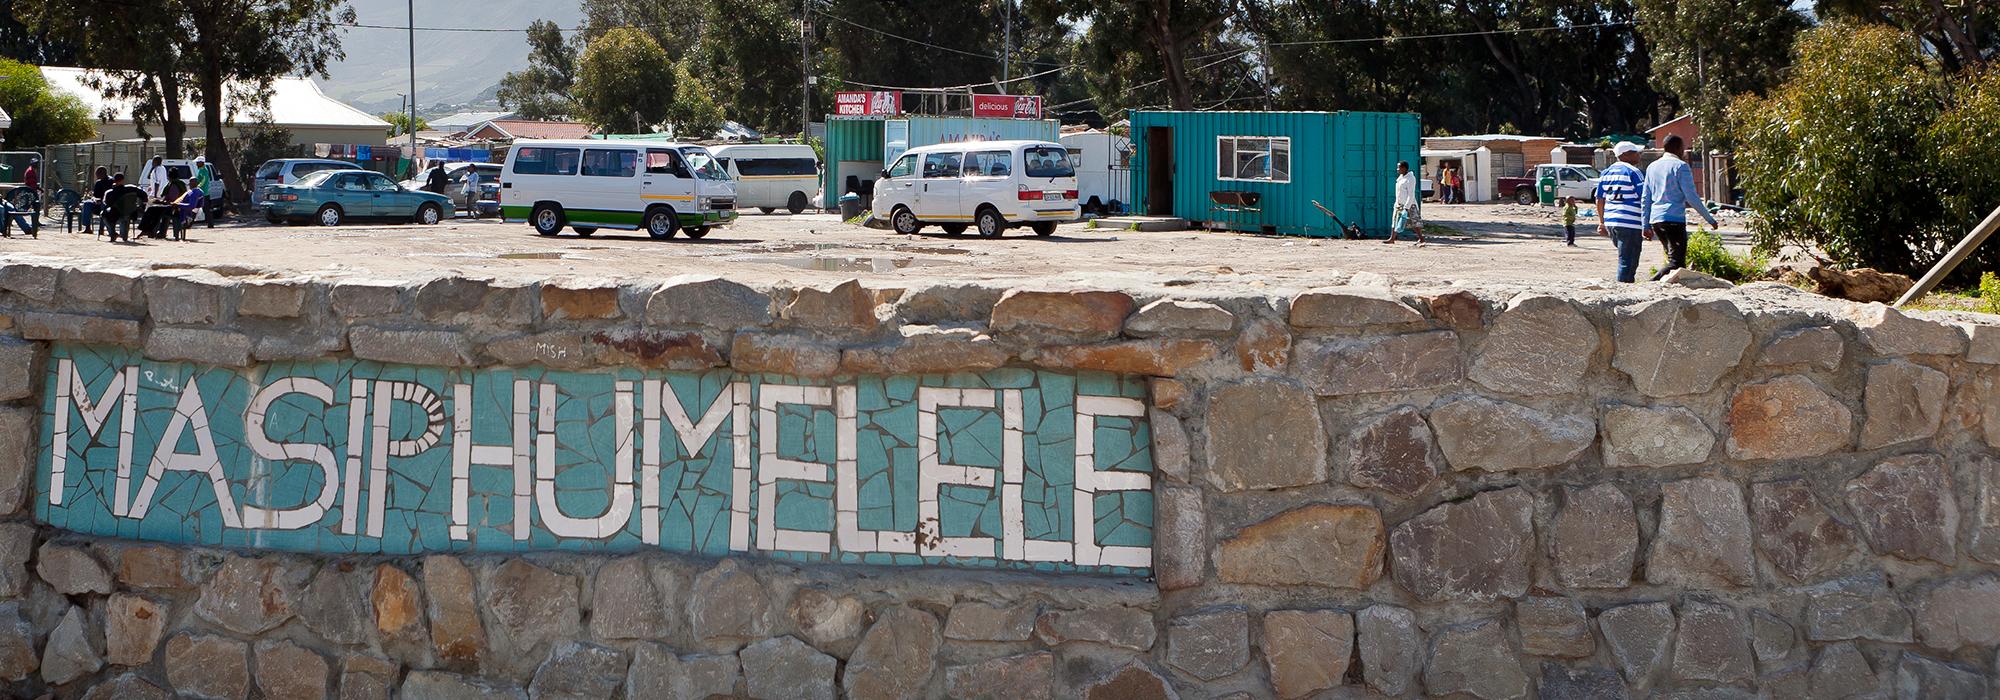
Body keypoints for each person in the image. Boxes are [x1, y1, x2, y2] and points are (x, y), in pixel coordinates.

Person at [1644, 134, 1719, 281]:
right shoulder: (1680, 166)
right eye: (1683, 148)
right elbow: (1691, 197)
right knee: (1676, 263)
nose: (1684, 151)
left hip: (1656, 220)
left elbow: (1646, 198)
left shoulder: (1652, 167)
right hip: (1673, 219)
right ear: (1678, 148)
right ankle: (1650, 283)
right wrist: (1709, 218)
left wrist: (1645, 224)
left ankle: (1668, 289)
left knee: (1674, 258)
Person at [1596, 142, 1649, 283]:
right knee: (1628, 261)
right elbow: (1644, 198)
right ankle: (1624, 290)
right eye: (1636, 152)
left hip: (1611, 222)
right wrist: (1648, 223)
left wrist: (1602, 222)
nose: (1639, 155)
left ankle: (1624, 285)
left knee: (1624, 257)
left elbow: (1599, 199)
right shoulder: (1634, 172)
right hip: (1630, 223)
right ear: (1625, 155)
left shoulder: (1606, 173)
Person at [1389, 160, 1425, 245]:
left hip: (1409, 205)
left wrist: (1406, 207)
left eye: (1399, 167)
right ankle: (1392, 238)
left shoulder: (1410, 178)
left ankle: (1421, 238)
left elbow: (1411, 194)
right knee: (1395, 221)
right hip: (1399, 204)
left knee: (1414, 222)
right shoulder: (1400, 178)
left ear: (1404, 168)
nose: (1397, 169)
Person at [101, 174, 144, 243]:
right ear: (123, 180)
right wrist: (139, 206)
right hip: (131, 212)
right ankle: (124, 236)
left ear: (114, 181)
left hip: (115, 214)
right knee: (125, 216)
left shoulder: (110, 192)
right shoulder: (132, 189)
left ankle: (113, 233)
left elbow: (107, 203)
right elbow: (144, 195)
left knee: (104, 214)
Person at [81, 166, 113, 235]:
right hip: (98, 203)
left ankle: (101, 229)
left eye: (97, 174)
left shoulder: (111, 181)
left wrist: (102, 201)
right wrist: (95, 199)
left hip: (108, 204)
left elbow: (112, 195)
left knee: (103, 206)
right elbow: (95, 196)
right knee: (87, 204)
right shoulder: (98, 182)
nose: (96, 175)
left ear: (103, 173)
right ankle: (87, 228)